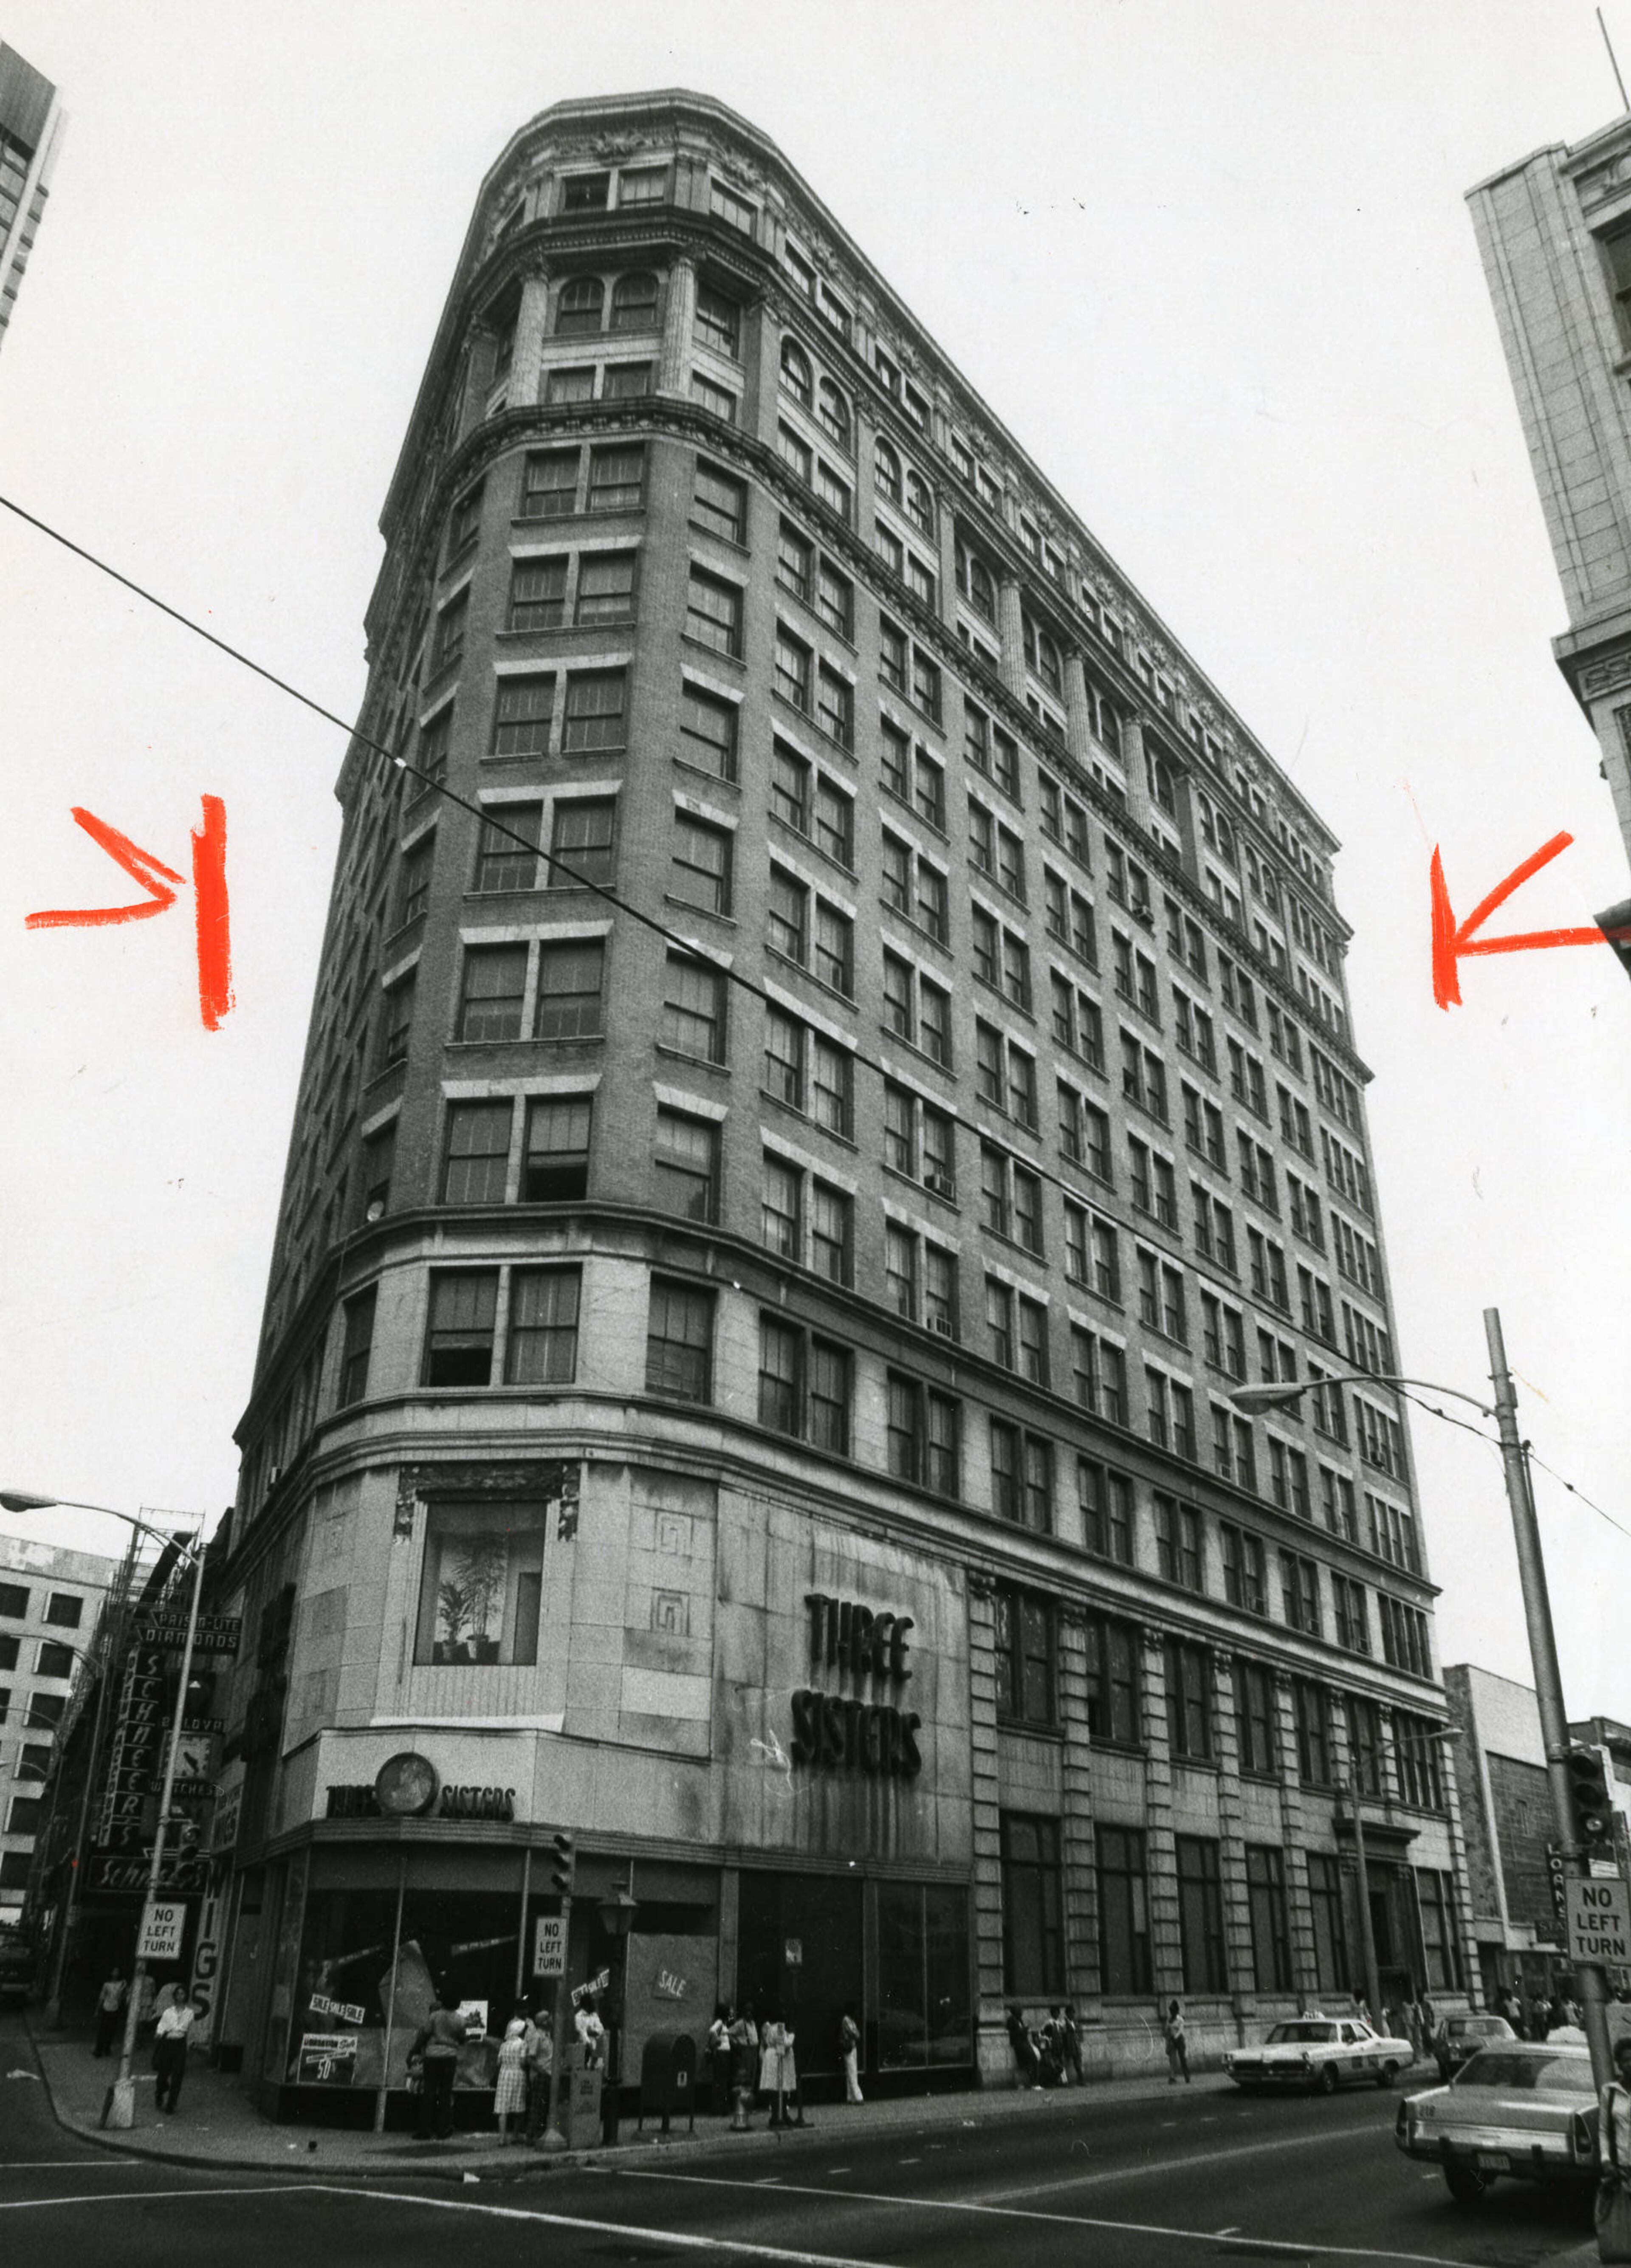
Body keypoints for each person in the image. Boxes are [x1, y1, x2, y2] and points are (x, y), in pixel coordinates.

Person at [1595, 2033, 1631, 2262]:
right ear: (1619, 2063)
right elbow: (1604, 2130)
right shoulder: (1610, 2091)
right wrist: (1606, 2160)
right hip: (1621, 2170)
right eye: (1626, 2060)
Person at [411, 1989, 466, 2140]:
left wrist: (414, 2050)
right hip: (450, 2056)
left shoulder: (435, 2016)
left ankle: (424, 2130)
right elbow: (462, 2039)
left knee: (429, 2092)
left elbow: (426, 2034)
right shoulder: (460, 2020)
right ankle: (442, 2129)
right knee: (445, 2093)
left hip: (433, 2055)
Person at [152, 1988, 200, 2114]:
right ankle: (160, 2091)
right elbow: (162, 2026)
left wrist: (190, 2045)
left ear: (186, 1996)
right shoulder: (168, 2012)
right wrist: (159, 2034)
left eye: (183, 1993)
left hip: (180, 2043)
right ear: (175, 1996)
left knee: (178, 2075)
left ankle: (171, 2104)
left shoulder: (190, 2013)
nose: (181, 1996)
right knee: (163, 2073)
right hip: (168, 2042)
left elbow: (191, 2030)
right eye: (178, 1993)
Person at [522, 2003, 554, 2142]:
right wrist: (541, 2071)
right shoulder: (537, 2036)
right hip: (541, 2075)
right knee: (538, 2106)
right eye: (550, 2018)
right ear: (544, 2022)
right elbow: (530, 2058)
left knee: (543, 2106)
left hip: (548, 2074)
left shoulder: (549, 2036)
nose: (553, 2021)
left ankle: (537, 2134)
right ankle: (531, 2136)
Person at [493, 2017, 527, 2143]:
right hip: (518, 2074)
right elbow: (523, 2062)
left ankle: (502, 2138)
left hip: (504, 2075)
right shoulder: (523, 2044)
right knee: (518, 2105)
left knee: (503, 2106)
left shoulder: (504, 2044)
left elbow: (498, 2062)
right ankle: (515, 2136)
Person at [728, 2003, 759, 2130]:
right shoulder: (741, 2024)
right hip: (745, 2051)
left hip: (753, 2051)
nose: (749, 2014)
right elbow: (729, 2033)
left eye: (751, 2011)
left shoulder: (753, 2024)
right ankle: (743, 2106)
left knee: (752, 2077)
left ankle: (749, 2106)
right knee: (745, 2079)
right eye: (747, 2011)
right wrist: (737, 2043)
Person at [93, 1970, 127, 2059]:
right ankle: (99, 2050)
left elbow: (123, 1995)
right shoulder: (107, 1985)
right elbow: (102, 1997)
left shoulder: (122, 1984)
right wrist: (98, 2009)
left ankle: (107, 2049)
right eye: (114, 1971)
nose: (115, 1973)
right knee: (103, 2030)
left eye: (117, 1971)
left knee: (111, 2030)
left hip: (116, 2008)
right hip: (106, 2007)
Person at [1006, 2006, 1041, 2089]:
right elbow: (1017, 2032)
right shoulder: (1012, 2020)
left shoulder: (1019, 2020)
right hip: (1019, 2044)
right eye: (1020, 2011)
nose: (1022, 2013)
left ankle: (1033, 2081)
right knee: (1033, 2060)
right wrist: (1025, 2029)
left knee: (1033, 2060)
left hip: (1024, 2043)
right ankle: (1034, 2083)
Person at [708, 2004, 732, 2117]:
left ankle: (719, 2108)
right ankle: (720, 2109)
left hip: (724, 2053)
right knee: (721, 2081)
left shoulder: (724, 2023)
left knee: (721, 2081)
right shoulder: (720, 2023)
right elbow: (712, 2031)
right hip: (722, 2053)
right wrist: (718, 2042)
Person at [839, 2005, 863, 2104]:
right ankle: (858, 2097)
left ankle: (850, 2097)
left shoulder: (850, 2020)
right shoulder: (847, 2020)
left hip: (852, 2047)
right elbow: (855, 2033)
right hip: (849, 2047)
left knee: (851, 2072)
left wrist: (856, 2034)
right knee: (852, 2071)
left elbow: (856, 2033)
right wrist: (857, 2034)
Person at [1163, 1998, 1191, 2085]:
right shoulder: (1169, 2020)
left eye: (1173, 2011)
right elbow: (1166, 2031)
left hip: (1180, 2041)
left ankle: (1187, 2076)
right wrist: (1168, 2040)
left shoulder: (1180, 2020)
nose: (1172, 2013)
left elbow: (1181, 2031)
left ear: (1177, 2011)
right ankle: (1172, 2077)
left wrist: (1175, 2037)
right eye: (1171, 2011)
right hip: (1172, 2041)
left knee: (1183, 2059)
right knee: (1172, 2060)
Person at [574, 1993, 605, 2068]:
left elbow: (601, 2029)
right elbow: (582, 2032)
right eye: (591, 2002)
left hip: (596, 2047)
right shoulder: (578, 2016)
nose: (593, 2004)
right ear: (587, 2003)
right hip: (583, 2048)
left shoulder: (594, 2015)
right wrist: (589, 2043)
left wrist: (592, 2031)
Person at [1061, 2005, 1084, 2087]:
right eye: (1071, 2013)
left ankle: (1081, 2079)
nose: (1073, 2015)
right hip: (1068, 2045)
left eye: (1073, 2013)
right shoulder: (1064, 2022)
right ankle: (1065, 2081)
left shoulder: (1074, 2022)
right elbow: (1064, 2034)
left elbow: (1078, 2032)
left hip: (1075, 2045)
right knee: (1066, 2063)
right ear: (1067, 2014)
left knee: (1078, 2062)